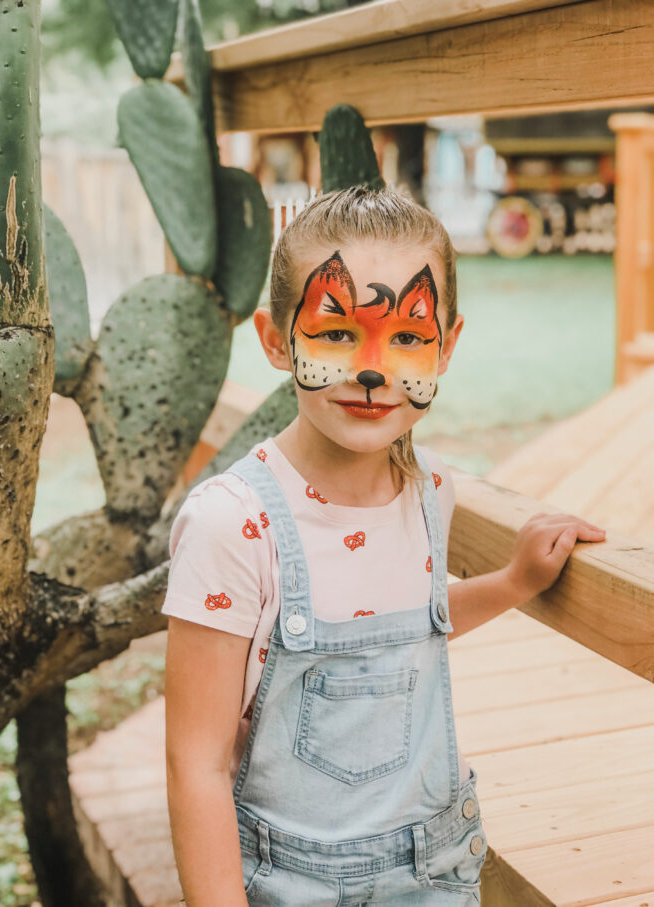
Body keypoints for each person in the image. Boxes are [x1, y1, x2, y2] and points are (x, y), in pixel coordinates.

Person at [162, 186, 606, 906]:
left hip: (435, 873)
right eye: (336, 333)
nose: (373, 367)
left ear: (448, 345)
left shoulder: (430, 489)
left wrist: (515, 580)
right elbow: (196, 763)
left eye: (407, 335)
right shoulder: (233, 524)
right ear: (277, 340)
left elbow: (403, 627)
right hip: (287, 883)